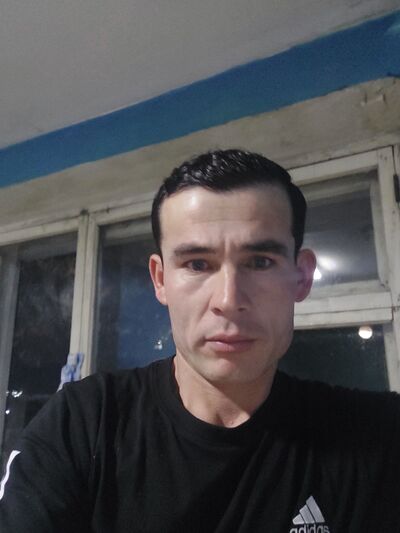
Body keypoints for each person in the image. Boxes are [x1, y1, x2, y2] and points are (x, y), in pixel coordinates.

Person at [1, 149, 400, 532]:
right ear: (161, 280)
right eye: (197, 264)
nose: (228, 300)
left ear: (302, 277)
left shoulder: (377, 437)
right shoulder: (81, 426)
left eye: (260, 262)